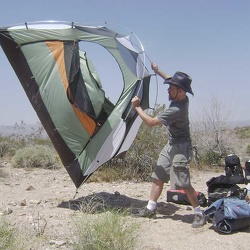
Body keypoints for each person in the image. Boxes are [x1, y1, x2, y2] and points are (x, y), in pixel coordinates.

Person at [131, 63, 206, 228]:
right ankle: (151, 208)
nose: (168, 90)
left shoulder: (177, 109)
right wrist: (157, 71)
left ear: (180, 91)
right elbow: (169, 79)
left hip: (181, 147)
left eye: (171, 88)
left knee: (183, 183)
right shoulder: (180, 95)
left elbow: (150, 122)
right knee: (158, 174)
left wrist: (137, 108)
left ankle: (199, 213)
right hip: (171, 144)